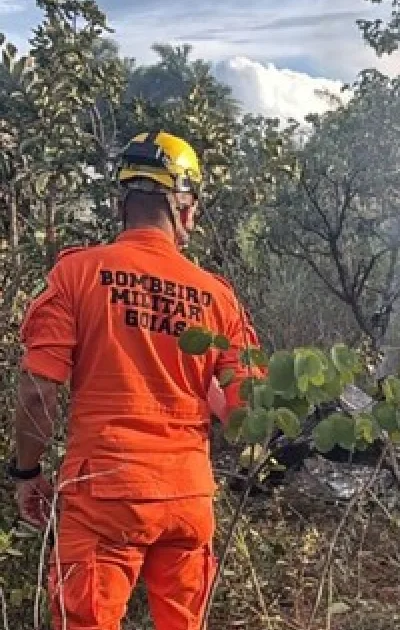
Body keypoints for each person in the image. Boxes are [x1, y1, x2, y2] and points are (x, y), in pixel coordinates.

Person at [8, 130, 261, 630]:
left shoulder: (77, 274)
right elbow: (245, 412)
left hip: (103, 493)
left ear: (121, 202)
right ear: (185, 207)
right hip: (187, 498)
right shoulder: (218, 297)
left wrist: (26, 473)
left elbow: (38, 392)